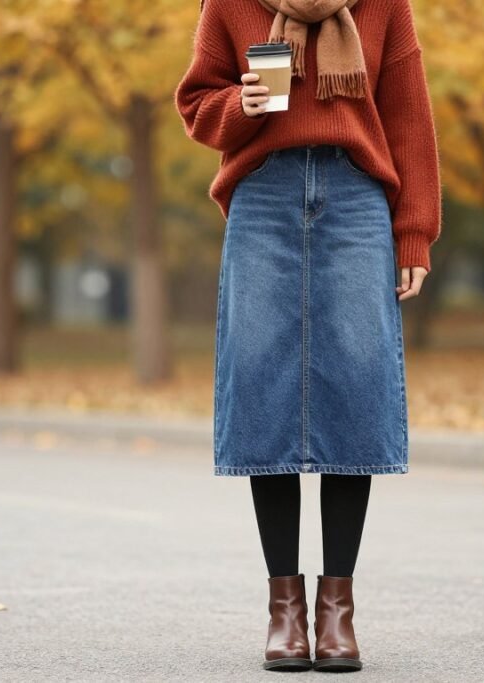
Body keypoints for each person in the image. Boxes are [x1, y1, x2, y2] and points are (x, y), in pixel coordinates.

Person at [174, 0, 440, 672]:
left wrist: (414, 230)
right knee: (265, 389)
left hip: (356, 199)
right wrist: (245, 103)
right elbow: (196, 101)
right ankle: (284, 609)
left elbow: (408, 117)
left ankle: (338, 610)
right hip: (263, 196)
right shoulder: (231, 4)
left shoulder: (383, 5)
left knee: (355, 386)